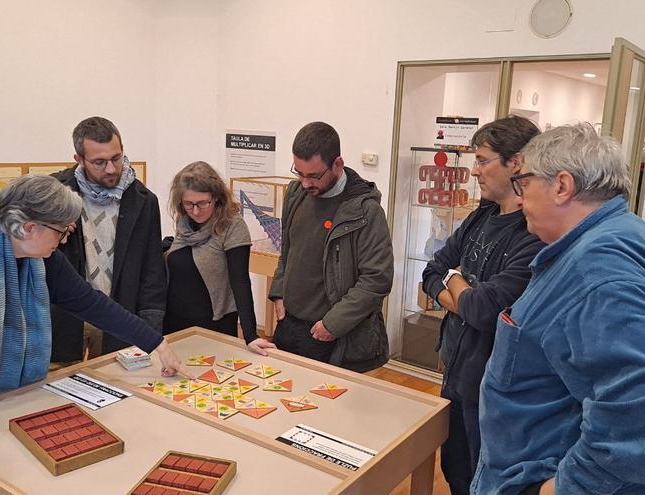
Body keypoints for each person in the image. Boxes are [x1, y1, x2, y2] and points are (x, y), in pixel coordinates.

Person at [0, 175, 185, 477]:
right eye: (61, 232)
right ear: (28, 227)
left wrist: (154, 341)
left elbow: (91, 303)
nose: (64, 240)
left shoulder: (43, 259)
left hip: (11, 396)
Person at [473, 124, 645, 494]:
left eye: (523, 184)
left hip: (544, 471)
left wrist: (566, 487)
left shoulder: (597, 268)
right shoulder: (616, 235)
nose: (521, 200)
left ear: (561, 186)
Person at [421, 115, 545, 495]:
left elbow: (484, 311)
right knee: (455, 468)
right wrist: (460, 291)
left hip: (493, 386)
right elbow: (430, 271)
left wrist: (454, 282)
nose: (475, 171)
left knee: (486, 477)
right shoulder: (481, 215)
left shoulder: (533, 233)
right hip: (455, 368)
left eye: (483, 160)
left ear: (516, 162)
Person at [268, 121, 393, 372]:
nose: (305, 183)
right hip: (289, 325)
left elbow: (377, 279)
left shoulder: (366, 211)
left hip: (333, 335)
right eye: (299, 173)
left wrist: (332, 325)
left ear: (337, 164)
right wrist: (279, 292)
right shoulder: (296, 193)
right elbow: (288, 249)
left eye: (313, 176)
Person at [49, 116, 167, 365]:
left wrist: (151, 328)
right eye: (99, 162)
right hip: (64, 319)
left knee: (115, 392)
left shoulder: (144, 201)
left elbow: (152, 271)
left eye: (116, 158)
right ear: (79, 160)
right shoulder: (54, 194)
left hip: (118, 317)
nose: (111, 169)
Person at [163, 161, 273, 355]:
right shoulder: (184, 222)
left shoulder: (232, 226)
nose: (195, 211)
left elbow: (240, 281)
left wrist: (250, 335)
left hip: (213, 324)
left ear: (216, 198)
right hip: (174, 322)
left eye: (203, 203)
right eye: (189, 204)